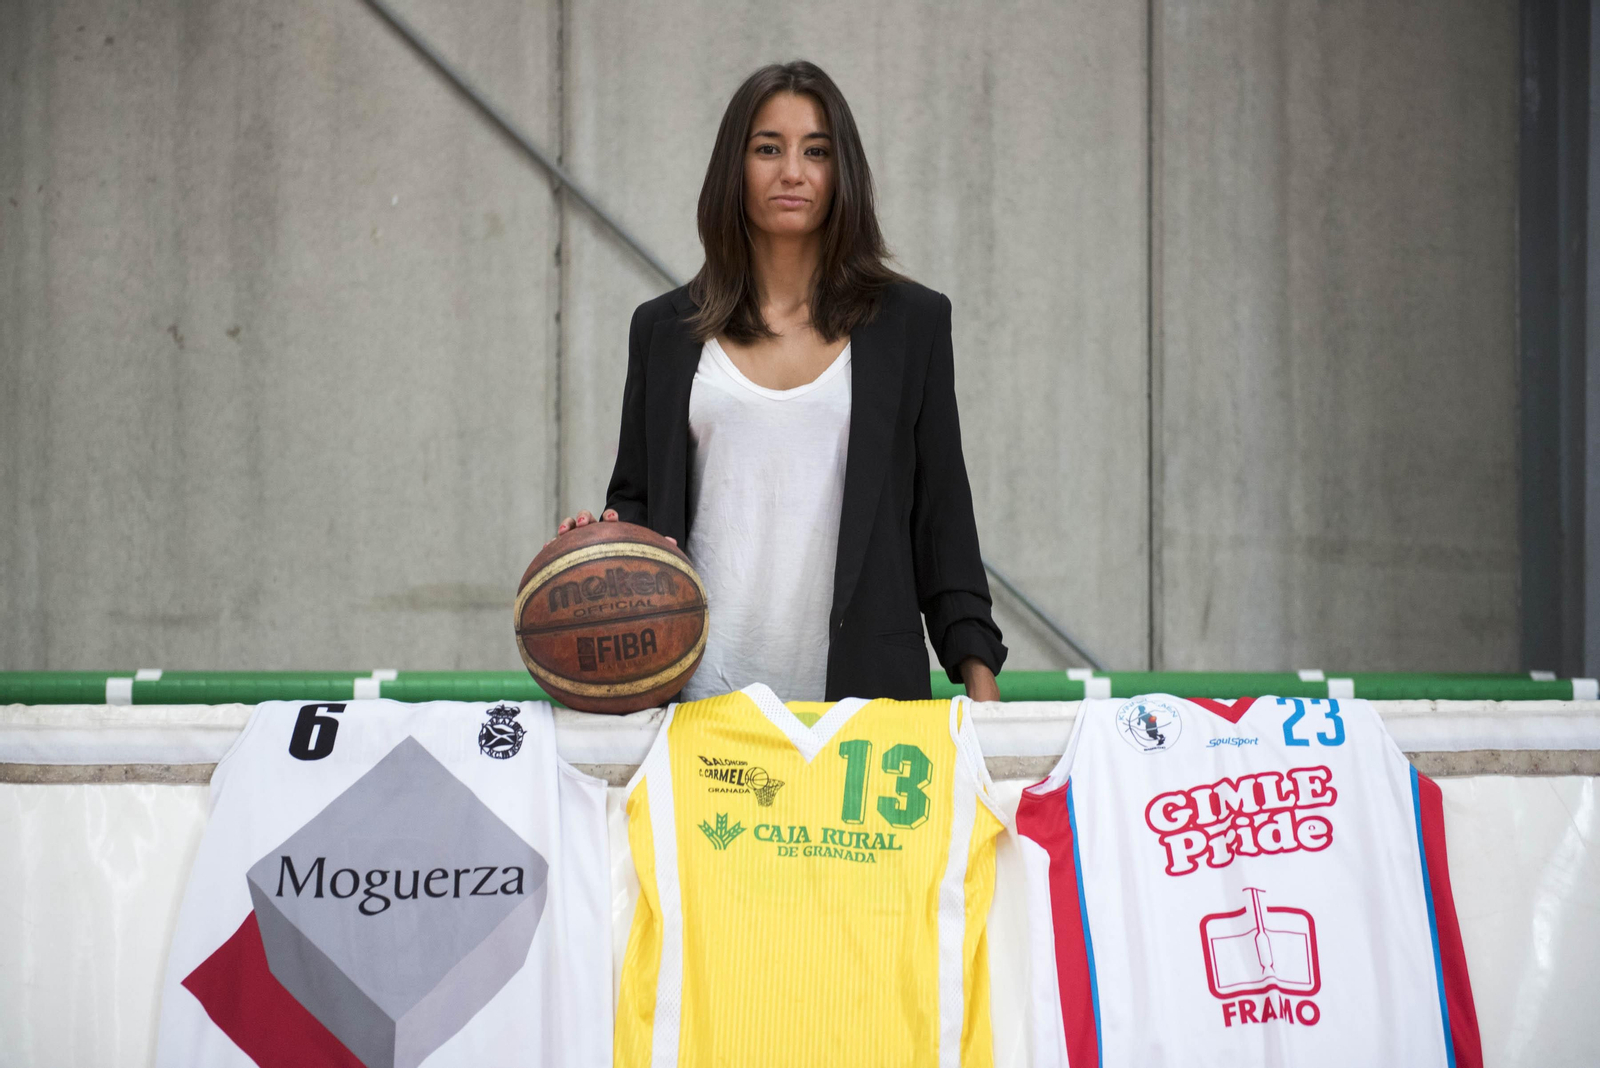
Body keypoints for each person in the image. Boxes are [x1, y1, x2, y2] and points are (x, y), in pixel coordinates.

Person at [553, 60, 1005, 703]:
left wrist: (985, 700)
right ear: (733, 168)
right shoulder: (664, 330)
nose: (792, 171)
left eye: (816, 151)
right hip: (698, 702)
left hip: (863, 713)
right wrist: (598, 546)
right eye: (768, 148)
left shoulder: (911, 325)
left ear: (842, 172)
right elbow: (640, 506)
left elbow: (943, 521)